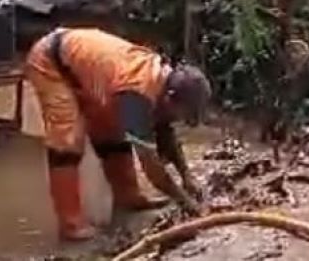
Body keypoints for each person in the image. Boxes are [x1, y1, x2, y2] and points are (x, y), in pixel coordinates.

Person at [25, 27, 211, 241]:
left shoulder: (161, 84)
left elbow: (164, 130)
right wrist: (186, 202)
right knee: (67, 143)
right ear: (170, 97)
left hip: (88, 72)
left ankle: (128, 197)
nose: (182, 119)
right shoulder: (137, 93)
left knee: (111, 131)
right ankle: (70, 224)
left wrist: (187, 176)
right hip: (52, 62)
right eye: (184, 112)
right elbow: (152, 168)